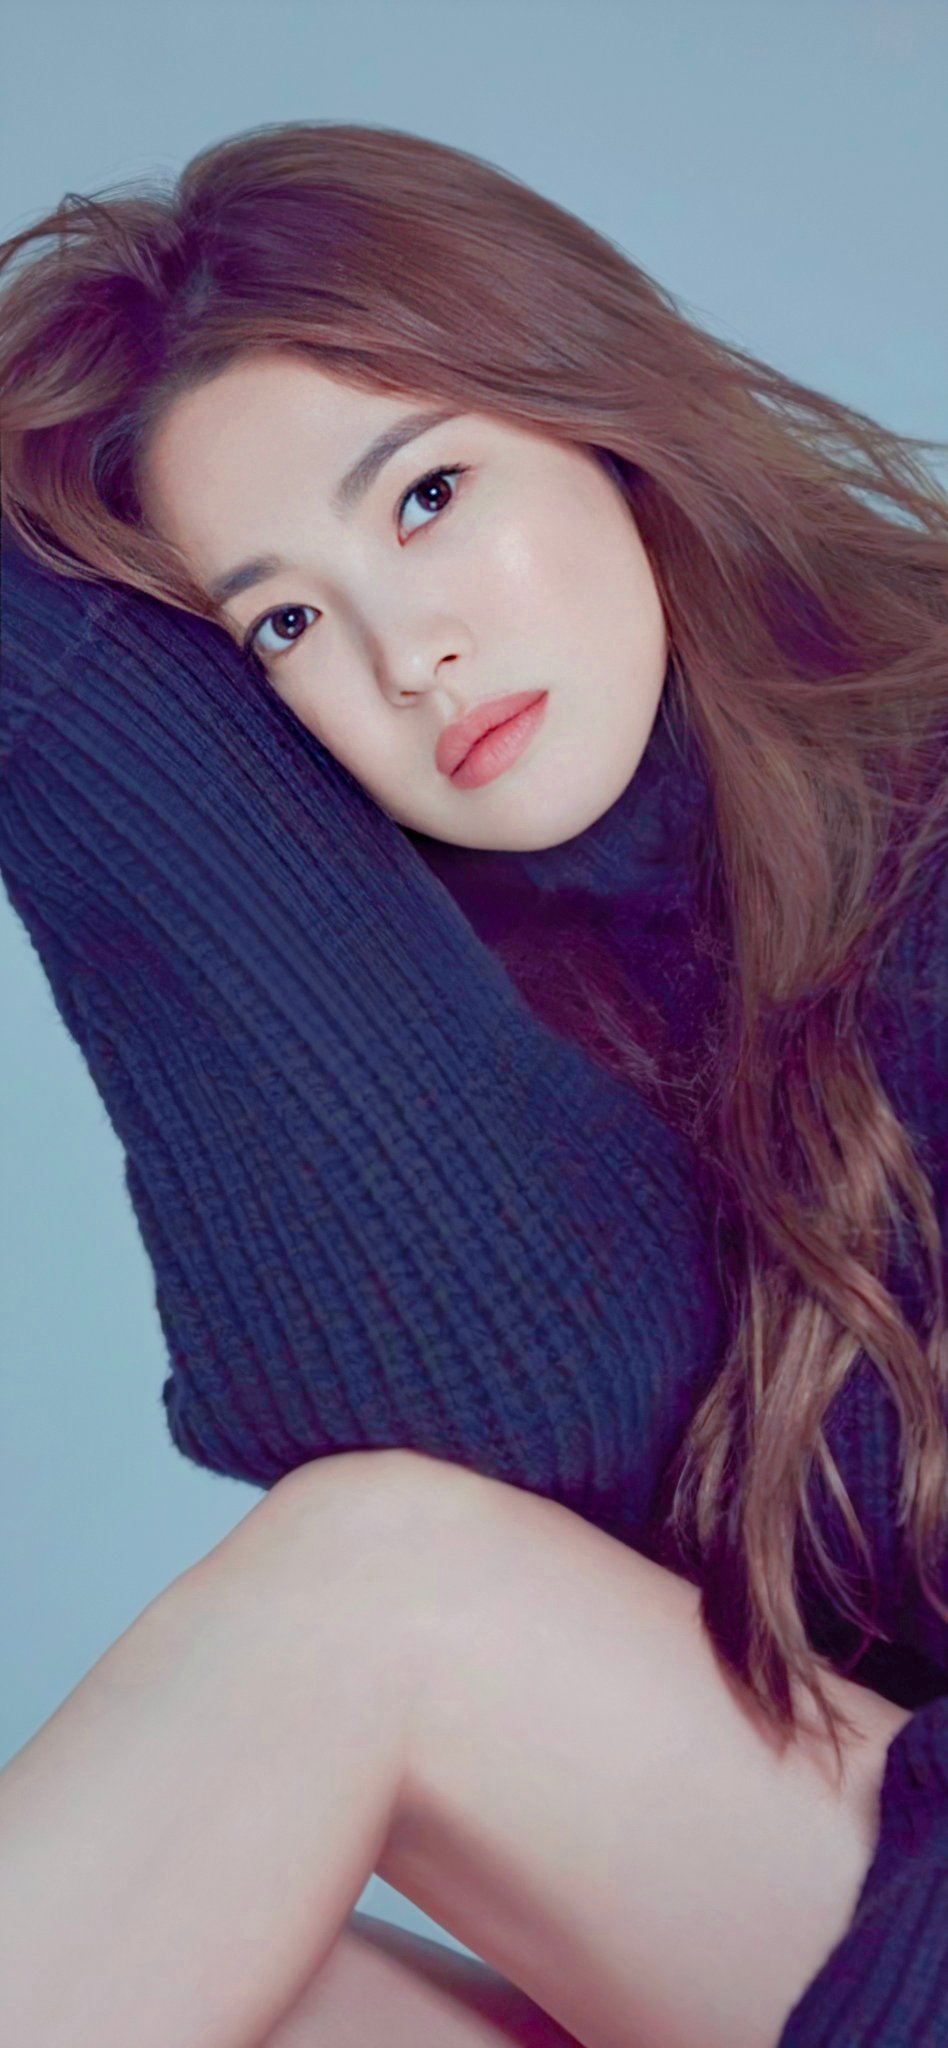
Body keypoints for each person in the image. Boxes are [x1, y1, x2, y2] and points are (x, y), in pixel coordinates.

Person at [0, 118, 946, 2047]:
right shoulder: (504, 1005)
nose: (407, 653)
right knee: (243, 1963)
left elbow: (416, 1565)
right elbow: (480, 1406)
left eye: (427, 496)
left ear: (601, 420)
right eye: (280, 620)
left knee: (372, 1594)